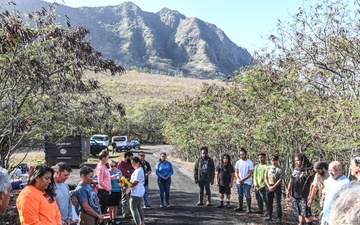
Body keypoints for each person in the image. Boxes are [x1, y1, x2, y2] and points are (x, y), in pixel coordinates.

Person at [286, 153, 314, 225]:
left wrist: (310, 196)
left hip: (304, 195)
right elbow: (291, 179)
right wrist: (288, 189)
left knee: (306, 213)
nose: (296, 162)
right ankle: (300, 223)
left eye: (298, 160)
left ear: (303, 160)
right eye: (295, 160)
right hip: (295, 194)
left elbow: (312, 184)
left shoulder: (309, 170)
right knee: (299, 211)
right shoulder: (296, 168)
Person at [321, 161, 350, 225]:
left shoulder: (346, 183)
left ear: (340, 170)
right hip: (325, 216)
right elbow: (327, 196)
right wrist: (324, 209)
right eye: (329, 170)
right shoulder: (329, 180)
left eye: (333, 170)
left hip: (336, 217)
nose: (330, 173)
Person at [264, 155, 284, 223]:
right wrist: (269, 186)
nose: (273, 162)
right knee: (269, 202)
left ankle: (279, 217)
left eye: (275, 160)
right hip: (269, 186)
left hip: (277, 187)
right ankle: (269, 215)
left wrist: (274, 186)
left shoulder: (280, 169)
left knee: (278, 203)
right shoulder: (268, 168)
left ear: (277, 160)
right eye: (272, 160)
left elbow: (280, 179)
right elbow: (265, 178)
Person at [234, 147, 254, 212]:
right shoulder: (238, 162)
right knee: (240, 194)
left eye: (243, 154)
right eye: (240, 154)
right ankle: (240, 206)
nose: (242, 156)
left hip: (247, 182)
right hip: (239, 181)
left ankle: (249, 208)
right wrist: (239, 179)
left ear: (245, 154)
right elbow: (236, 172)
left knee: (247, 194)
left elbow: (251, 172)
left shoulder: (249, 162)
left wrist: (244, 179)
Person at [95, 150, 114, 215]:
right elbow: (100, 181)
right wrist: (108, 189)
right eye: (107, 157)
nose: (108, 159)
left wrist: (114, 176)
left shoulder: (104, 166)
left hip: (105, 190)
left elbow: (106, 178)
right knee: (102, 209)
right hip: (103, 191)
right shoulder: (101, 167)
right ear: (103, 158)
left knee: (104, 208)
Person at [117, 151, 134, 218]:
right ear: (127, 157)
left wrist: (129, 172)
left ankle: (132, 211)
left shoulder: (130, 163)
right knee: (125, 198)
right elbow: (124, 174)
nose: (131, 159)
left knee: (132, 198)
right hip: (125, 184)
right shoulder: (121, 164)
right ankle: (125, 212)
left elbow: (133, 171)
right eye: (131, 157)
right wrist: (129, 173)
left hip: (132, 183)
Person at [129, 157, 145, 225]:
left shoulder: (138, 171)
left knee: (133, 208)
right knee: (138, 207)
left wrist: (128, 184)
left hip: (136, 191)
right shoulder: (139, 169)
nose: (132, 165)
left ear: (138, 163)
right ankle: (142, 222)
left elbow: (135, 182)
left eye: (134, 164)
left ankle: (138, 223)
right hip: (139, 190)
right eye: (132, 164)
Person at [108, 160, 122, 225]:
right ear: (109, 166)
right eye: (111, 166)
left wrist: (120, 179)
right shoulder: (108, 172)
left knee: (116, 206)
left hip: (118, 190)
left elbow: (121, 181)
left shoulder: (118, 171)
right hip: (111, 191)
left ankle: (114, 219)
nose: (113, 167)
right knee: (111, 206)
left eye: (114, 166)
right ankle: (109, 219)